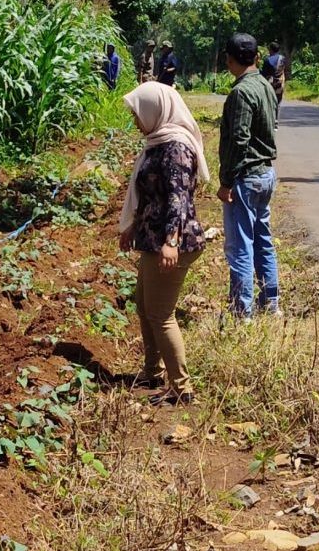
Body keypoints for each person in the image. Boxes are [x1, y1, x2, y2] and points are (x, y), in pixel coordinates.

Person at [119, 82, 209, 405]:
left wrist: (171, 241)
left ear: (155, 110)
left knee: (160, 313)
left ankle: (181, 388)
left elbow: (179, 199)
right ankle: (152, 371)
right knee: (143, 305)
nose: (135, 121)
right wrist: (131, 227)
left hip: (173, 242)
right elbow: (148, 192)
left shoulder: (176, 148)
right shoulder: (156, 143)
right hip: (152, 238)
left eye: (137, 114)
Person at [218, 34, 281, 318]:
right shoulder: (266, 86)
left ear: (230, 59)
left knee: (240, 245)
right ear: (256, 57)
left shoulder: (241, 93)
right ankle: (271, 303)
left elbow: (239, 140)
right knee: (262, 240)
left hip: (246, 177)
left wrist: (226, 181)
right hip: (265, 173)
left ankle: (242, 312)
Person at [260, 41, 288, 108]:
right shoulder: (283, 59)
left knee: (269, 103)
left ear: (270, 49)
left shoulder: (268, 60)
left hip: (271, 85)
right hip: (281, 83)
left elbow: (264, 74)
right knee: (278, 103)